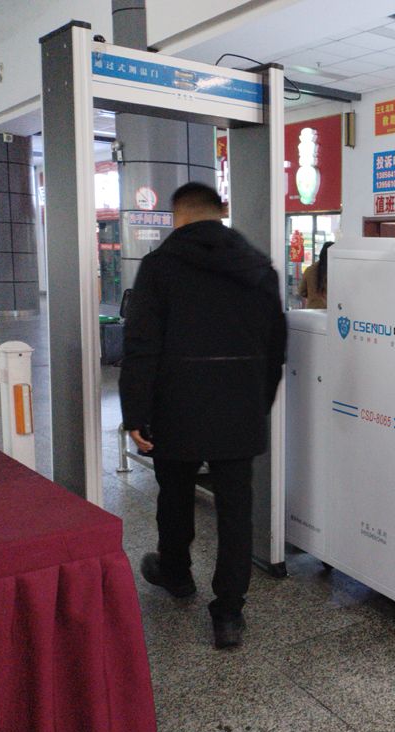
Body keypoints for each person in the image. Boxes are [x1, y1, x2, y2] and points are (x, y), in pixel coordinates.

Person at [119, 182, 286, 649]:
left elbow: (141, 345)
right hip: (240, 407)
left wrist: (137, 413)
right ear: (220, 211)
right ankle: (229, 613)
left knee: (174, 494)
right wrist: (258, 402)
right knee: (235, 510)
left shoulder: (159, 266)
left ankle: (176, 573)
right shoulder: (259, 268)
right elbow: (276, 348)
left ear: (179, 215)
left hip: (176, 406)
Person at [298, 240, 332, 309]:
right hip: (329, 310)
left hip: (312, 310)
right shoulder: (334, 271)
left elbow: (302, 291)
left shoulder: (309, 270)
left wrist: (313, 295)